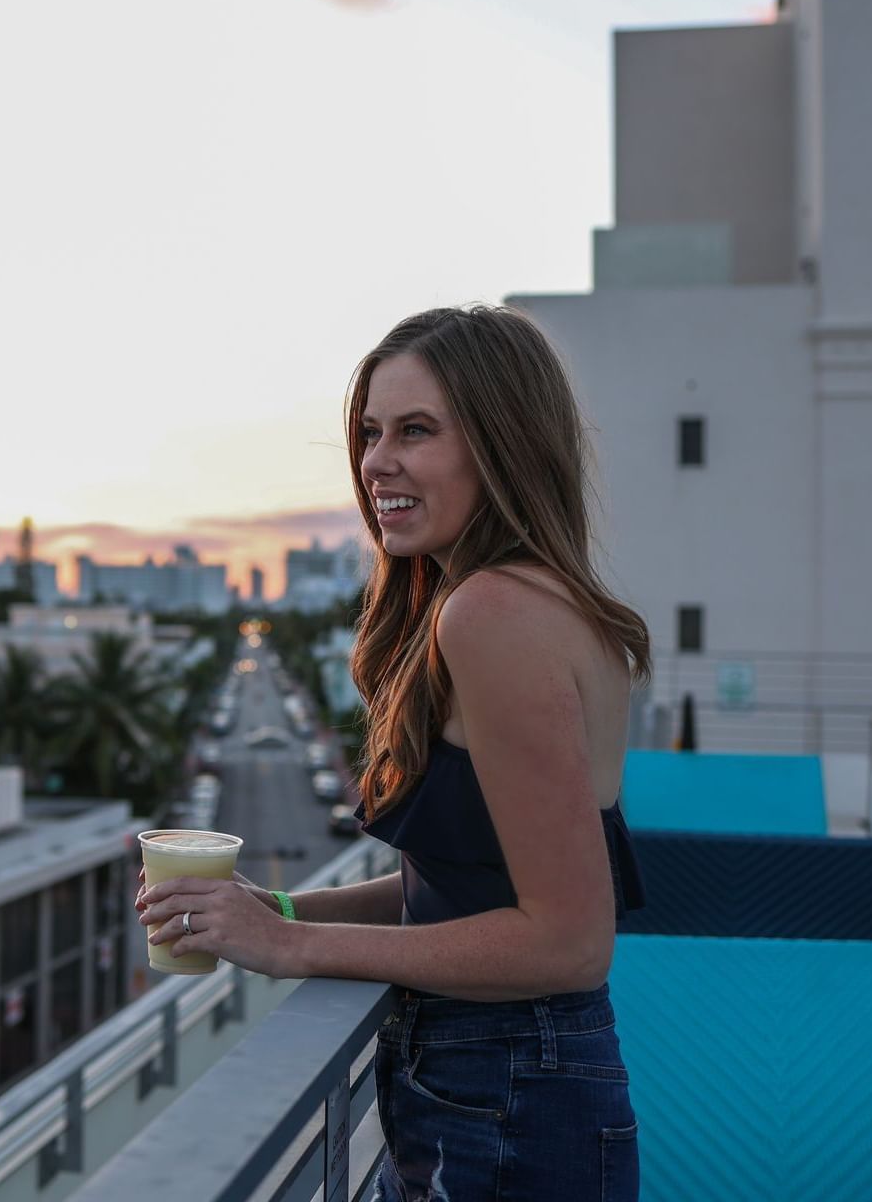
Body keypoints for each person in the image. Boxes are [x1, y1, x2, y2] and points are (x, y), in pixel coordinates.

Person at [137, 303, 651, 1200]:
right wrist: (285, 910)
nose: (377, 461)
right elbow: (466, 879)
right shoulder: (538, 600)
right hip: (507, 1089)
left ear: (501, 443)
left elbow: (569, 940)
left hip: (504, 1100)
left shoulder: (491, 615)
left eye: (416, 430)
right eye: (370, 432)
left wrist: (298, 951)